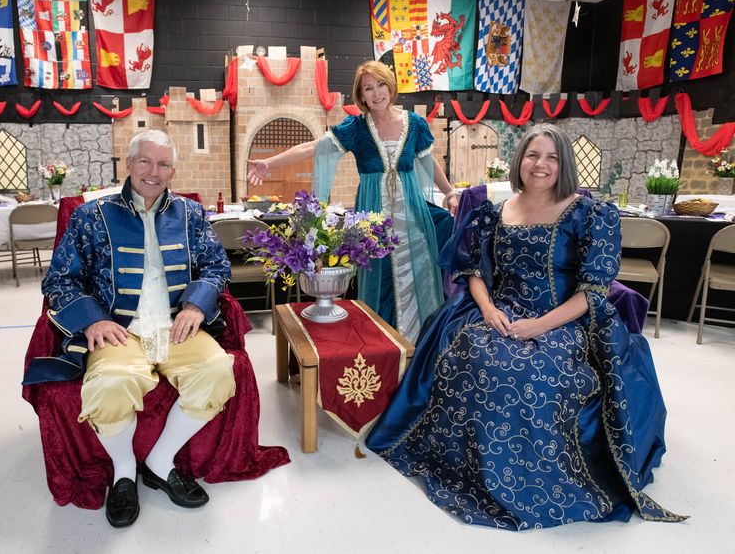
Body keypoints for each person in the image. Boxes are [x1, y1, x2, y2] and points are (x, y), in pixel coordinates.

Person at [365, 124, 686, 530]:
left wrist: (540, 326)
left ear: (564, 164)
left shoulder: (588, 214)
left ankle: (523, 479)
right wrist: (487, 310)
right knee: (474, 353)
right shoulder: (493, 212)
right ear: (521, 160)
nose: (541, 164)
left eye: (552, 157)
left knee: (524, 371)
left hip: (565, 318)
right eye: (534, 155)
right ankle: (465, 462)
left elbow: (594, 290)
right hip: (500, 310)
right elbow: (474, 270)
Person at [38, 130, 235, 527]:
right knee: (109, 385)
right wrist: (93, 317)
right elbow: (59, 279)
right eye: (145, 161)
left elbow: (218, 266)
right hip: (120, 330)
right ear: (128, 165)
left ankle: (160, 464)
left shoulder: (190, 214)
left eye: (163, 164)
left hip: (176, 326)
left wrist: (196, 305)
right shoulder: (91, 215)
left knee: (217, 372)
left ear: (172, 171)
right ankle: (124, 472)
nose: (153, 171)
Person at [247, 60, 458, 342]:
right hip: (374, 219)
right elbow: (314, 146)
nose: (376, 93)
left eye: (381, 84)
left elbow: (426, 160)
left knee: (419, 273)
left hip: (412, 215)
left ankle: (422, 345)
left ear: (391, 86)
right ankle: (385, 345)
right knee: (380, 278)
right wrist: (270, 164)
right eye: (368, 88)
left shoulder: (415, 124)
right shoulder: (357, 128)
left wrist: (450, 191)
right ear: (361, 96)